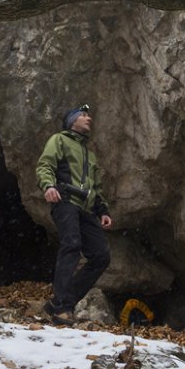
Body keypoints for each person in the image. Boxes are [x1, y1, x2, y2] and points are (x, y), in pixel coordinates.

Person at [36, 104, 112, 325]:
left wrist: (103, 210)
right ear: (71, 121)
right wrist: (48, 185)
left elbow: (95, 187)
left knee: (101, 256)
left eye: (89, 114)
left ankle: (61, 302)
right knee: (71, 244)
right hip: (65, 200)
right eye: (84, 115)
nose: (89, 118)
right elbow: (45, 165)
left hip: (87, 208)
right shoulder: (59, 140)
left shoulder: (90, 155)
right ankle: (62, 307)